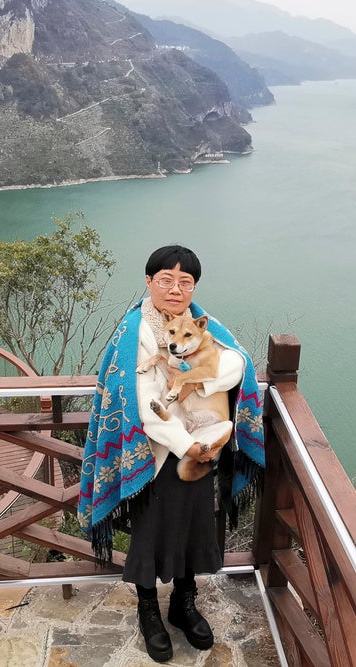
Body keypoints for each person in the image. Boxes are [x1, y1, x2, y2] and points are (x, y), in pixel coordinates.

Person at [78, 245, 265, 663]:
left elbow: (239, 361)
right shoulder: (135, 333)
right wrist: (187, 446)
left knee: (195, 526)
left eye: (186, 281)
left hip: (201, 447)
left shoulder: (202, 322)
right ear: (148, 282)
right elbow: (143, 403)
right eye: (166, 279)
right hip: (154, 456)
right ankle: (148, 608)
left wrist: (204, 386)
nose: (176, 289)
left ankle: (184, 601)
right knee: (152, 533)